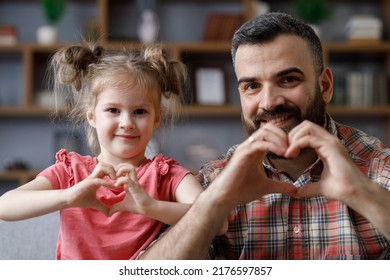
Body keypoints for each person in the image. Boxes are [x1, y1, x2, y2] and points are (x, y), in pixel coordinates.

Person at [139, 12, 390, 260]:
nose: (268, 103)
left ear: (324, 86)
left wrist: (361, 193)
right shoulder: (214, 180)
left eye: (288, 80)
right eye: (252, 87)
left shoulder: (380, 169)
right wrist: (214, 203)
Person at [0, 43, 222, 259]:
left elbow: (218, 222)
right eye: (113, 110)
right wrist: (69, 197)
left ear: (157, 118)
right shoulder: (71, 171)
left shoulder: (166, 174)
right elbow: (5, 206)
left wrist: (150, 207)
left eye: (140, 111)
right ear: (91, 116)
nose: (126, 122)